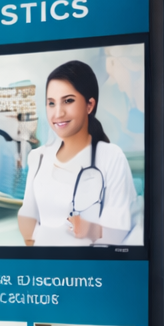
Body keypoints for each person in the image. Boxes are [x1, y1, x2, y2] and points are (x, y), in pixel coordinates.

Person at [16, 60, 137, 246]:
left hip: (86, 271)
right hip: (42, 268)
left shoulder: (111, 156)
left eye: (68, 101)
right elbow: (28, 214)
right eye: (51, 103)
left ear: (89, 105)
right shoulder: (39, 157)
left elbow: (118, 230)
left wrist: (89, 228)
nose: (58, 113)